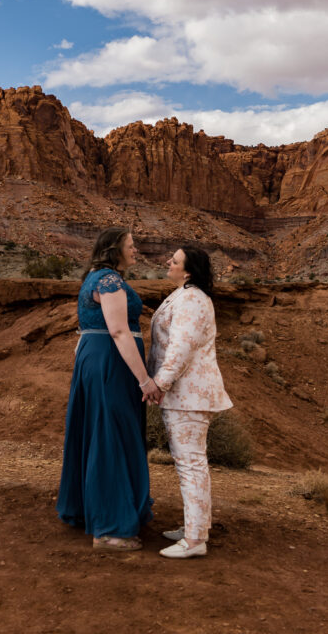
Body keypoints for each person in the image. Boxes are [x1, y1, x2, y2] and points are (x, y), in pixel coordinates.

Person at [56, 227, 163, 550]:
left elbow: (87, 329)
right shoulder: (109, 281)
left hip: (96, 359)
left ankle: (93, 510)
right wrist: (144, 379)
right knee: (111, 433)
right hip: (111, 362)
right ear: (114, 249)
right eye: (131, 246)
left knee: (99, 429)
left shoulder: (93, 278)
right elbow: (118, 332)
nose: (135, 251)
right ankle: (111, 529)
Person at [148, 246, 233, 559]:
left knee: (191, 466)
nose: (167, 262)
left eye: (174, 260)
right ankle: (196, 529)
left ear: (188, 270)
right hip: (187, 395)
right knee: (193, 464)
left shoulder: (192, 299)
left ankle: (195, 541)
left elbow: (180, 348)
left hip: (188, 396)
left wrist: (160, 384)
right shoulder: (185, 295)